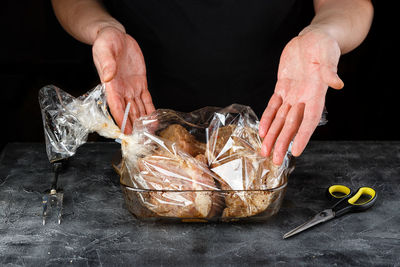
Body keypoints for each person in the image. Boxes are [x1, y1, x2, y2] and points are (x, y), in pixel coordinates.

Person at [51, 0, 373, 165]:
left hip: (278, 140)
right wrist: (102, 27)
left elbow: (348, 3)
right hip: (137, 138)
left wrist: (325, 33)